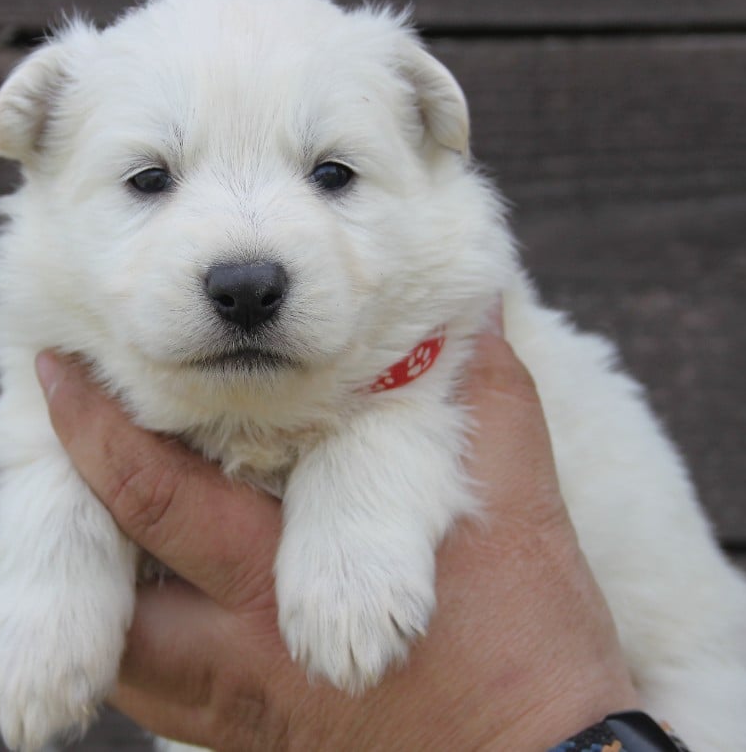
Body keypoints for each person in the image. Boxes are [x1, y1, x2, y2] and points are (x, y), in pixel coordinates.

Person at [33, 315, 645, 751]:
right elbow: (29, 424)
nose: (248, 268)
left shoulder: (437, 347)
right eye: (151, 180)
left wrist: (511, 732)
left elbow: (427, 386)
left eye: (331, 174)